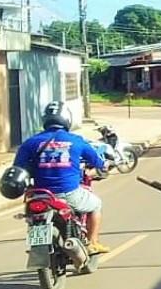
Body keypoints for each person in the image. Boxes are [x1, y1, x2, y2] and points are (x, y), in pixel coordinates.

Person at [13, 101, 110, 254]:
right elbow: (97, 161)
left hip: (40, 195)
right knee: (96, 204)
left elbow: (17, 167)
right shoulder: (76, 140)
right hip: (68, 194)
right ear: (67, 119)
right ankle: (92, 243)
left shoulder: (30, 142)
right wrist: (102, 165)